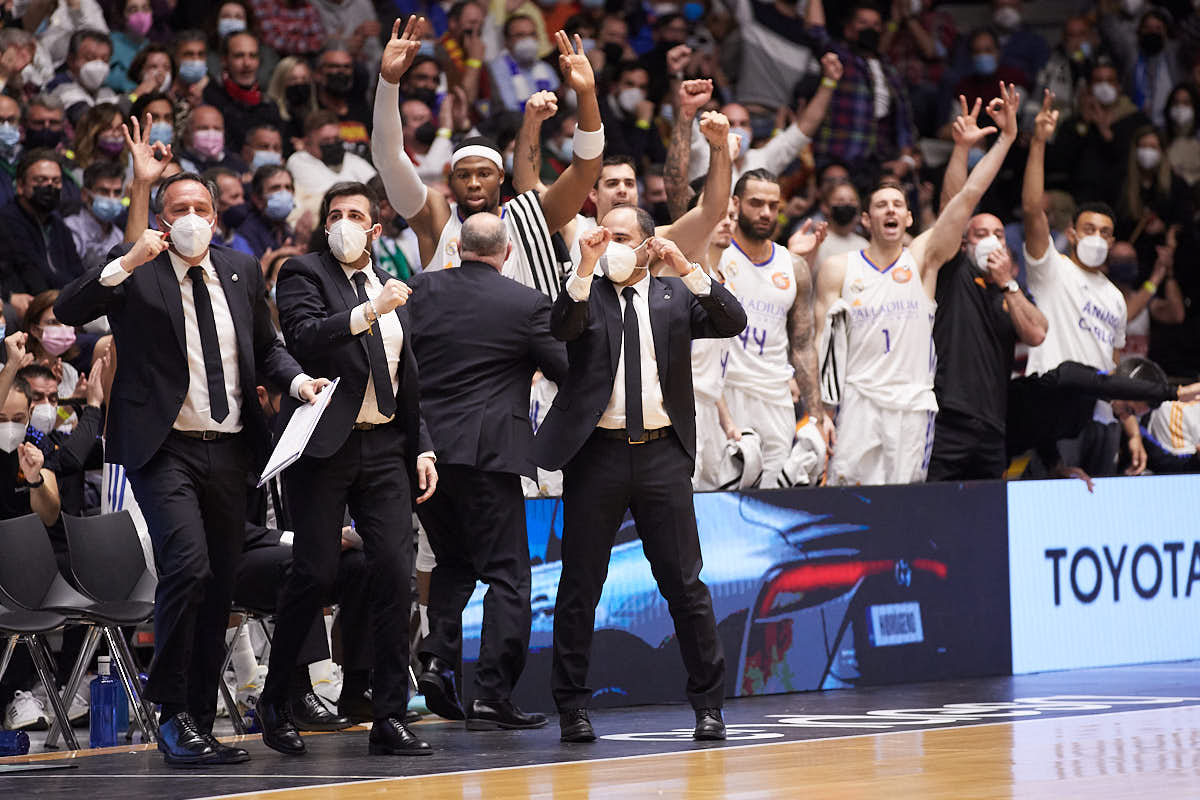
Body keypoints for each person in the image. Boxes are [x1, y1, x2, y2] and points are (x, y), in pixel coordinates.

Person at [54, 116, 323, 768]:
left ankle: (199, 719)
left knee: (222, 580)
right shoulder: (139, 271)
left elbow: (265, 351)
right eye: (182, 209)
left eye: (204, 206)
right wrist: (129, 245)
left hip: (232, 448)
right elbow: (68, 308)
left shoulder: (237, 270)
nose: (196, 216)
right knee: (190, 567)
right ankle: (171, 710)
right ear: (163, 220)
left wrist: (297, 382)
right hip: (164, 447)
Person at [535, 206, 747, 743]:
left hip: (661, 454)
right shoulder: (586, 293)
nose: (606, 241)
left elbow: (732, 321)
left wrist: (687, 266)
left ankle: (709, 705)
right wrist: (583, 268)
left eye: (620, 235)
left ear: (648, 246)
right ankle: (573, 709)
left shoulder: (674, 295)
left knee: (684, 584)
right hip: (596, 454)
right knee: (580, 586)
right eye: (600, 233)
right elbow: (561, 327)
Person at [259, 181, 436, 758]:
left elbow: (405, 372)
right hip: (323, 447)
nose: (344, 223)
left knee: (393, 572)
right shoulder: (302, 273)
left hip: (385, 446)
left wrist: (423, 447)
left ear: (375, 229)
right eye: (335, 214)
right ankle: (277, 700)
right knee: (311, 572)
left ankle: (385, 713)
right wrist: (368, 312)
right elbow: (306, 336)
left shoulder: (385, 283)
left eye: (355, 215)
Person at [407, 213, 567, 730]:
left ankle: (435, 660)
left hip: (424, 453)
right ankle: (493, 694)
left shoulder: (418, 289)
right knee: (508, 575)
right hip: (487, 455)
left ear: (456, 246)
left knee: (453, 562)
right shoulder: (525, 303)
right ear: (508, 251)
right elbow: (564, 368)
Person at [816, 82, 1021, 486]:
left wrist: (1007, 139)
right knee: (845, 497)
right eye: (880, 205)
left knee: (905, 505)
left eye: (898, 205)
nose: (890, 210)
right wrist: (820, 410)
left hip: (912, 406)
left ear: (909, 219)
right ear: (866, 219)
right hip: (857, 401)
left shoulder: (923, 260)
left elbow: (967, 196)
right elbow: (818, 348)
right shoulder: (838, 268)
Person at [374, 18, 601, 296]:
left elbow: (585, 171)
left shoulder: (530, 217)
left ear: (501, 176)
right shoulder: (436, 220)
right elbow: (389, 159)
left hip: (522, 339)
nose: (473, 183)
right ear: (450, 179)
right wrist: (388, 81)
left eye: (483, 174)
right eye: (463, 175)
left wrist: (587, 93)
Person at [1022, 88, 1139, 478]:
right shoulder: (1051, 268)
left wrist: (1131, 429)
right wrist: (1039, 141)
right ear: (1072, 234)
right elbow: (1032, 210)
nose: (1095, 237)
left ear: (1112, 240)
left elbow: (1115, 365)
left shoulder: (1115, 299)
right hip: (1056, 413)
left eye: (1104, 232)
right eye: (1088, 229)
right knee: (1052, 501)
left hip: (1103, 419)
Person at [513, 82, 731, 270]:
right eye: (612, 183)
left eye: (629, 183)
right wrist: (532, 121)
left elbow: (712, 212)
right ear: (593, 194)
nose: (622, 189)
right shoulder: (575, 228)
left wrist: (720, 145)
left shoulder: (654, 242)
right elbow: (527, 185)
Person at [720, 168, 828, 487]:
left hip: (776, 395)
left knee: (775, 493)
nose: (766, 212)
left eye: (773, 205)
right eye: (756, 203)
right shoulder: (716, 253)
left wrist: (817, 415)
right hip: (728, 390)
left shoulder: (793, 267)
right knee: (721, 489)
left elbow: (803, 345)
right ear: (735, 204)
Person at [0, 150, 86, 320]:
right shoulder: (5, 221)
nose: (49, 186)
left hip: (61, 305)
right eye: (41, 180)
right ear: (20, 186)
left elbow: (78, 272)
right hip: (30, 309)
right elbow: (30, 274)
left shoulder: (59, 226)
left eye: (56, 181)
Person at [286, 109, 377, 224]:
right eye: (326, 141)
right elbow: (334, 197)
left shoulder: (353, 160)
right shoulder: (299, 160)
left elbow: (376, 189)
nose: (332, 144)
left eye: (336, 139)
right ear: (308, 143)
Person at [201, 31, 284, 153]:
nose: (247, 64)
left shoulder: (269, 106)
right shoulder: (209, 97)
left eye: (253, 56)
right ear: (224, 60)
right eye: (239, 56)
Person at [65, 161, 127, 270]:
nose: (111, 198)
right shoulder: (70, 228)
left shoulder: (119, 235)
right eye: (104, 191)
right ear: (85, 194)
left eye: (117, 192)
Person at [490, 14, 559, 112]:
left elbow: (557, 100)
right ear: (507, 41)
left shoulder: (545, 67)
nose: (528, 40)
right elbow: (509, 107)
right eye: (520, 35)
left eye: (532, 34)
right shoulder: (497, 68)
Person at [50, 30, 119, 124]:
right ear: (71, 60)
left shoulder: (106, 92)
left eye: (104, 60)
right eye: (90, 58)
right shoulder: (59, 86)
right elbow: (90, 123)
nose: (98, 65)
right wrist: (134, 96)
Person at [236, 164, 297, 258]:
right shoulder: (246, 232)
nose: (284, 193)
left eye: (288, 187)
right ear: (258, 199)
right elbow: (250, 271)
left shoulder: (286, 228)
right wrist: (277, 256)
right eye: (276, 188)